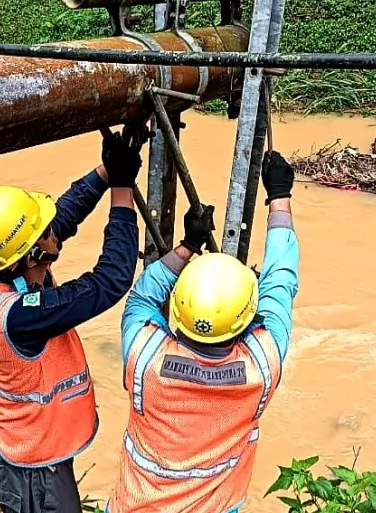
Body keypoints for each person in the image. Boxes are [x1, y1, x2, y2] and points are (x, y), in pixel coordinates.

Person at [0, 128, 145, 513]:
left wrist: (106, 172)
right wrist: (123, 192)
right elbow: (110, 280)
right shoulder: (22, 316)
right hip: (32, 465)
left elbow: (66, 214)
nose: (52, 229)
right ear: (31, 254)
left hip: (23, 441)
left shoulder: (8, 272)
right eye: (43, 232)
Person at [107, 150, 300, 513]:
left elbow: (143, 296)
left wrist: (187, 246)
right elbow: (281, 280)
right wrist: (279, 198)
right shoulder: (262, 363)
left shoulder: (144, 355)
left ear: (177, 312)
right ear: (248, 319)